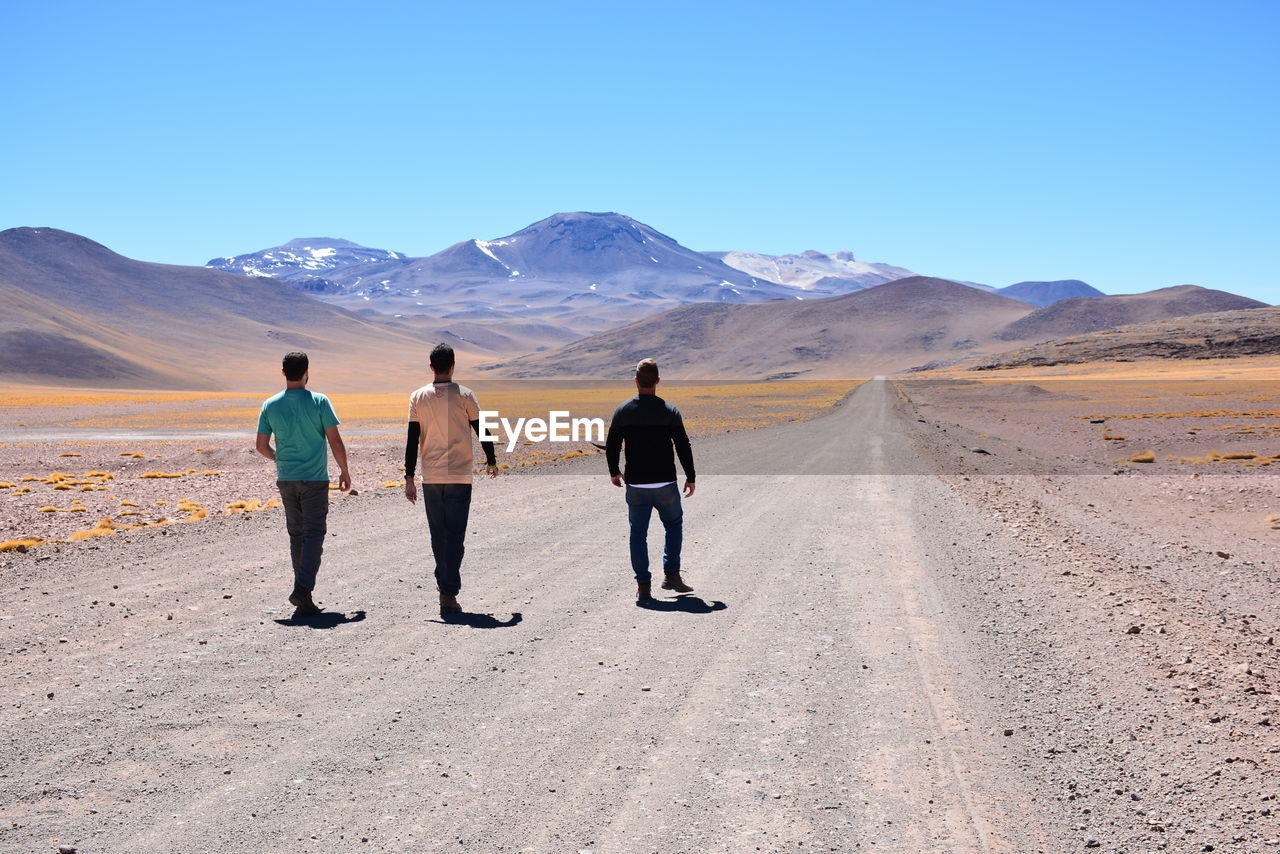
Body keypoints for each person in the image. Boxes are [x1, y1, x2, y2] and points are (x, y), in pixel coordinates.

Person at [404, 343, 498, 614]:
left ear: (432, 367)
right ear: (453, 366)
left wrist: (409, 477)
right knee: (455, 535)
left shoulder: (417, 397)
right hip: (459, 476)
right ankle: (448, 591)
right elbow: (482, 429)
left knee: (438, 535)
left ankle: (445, 587)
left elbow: (412, 440)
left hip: (431, 477)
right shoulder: (465, 395)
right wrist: (491, 461)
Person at [255, 351, 352, 616]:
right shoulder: (320, 401)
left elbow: (261, 446)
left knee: (297, 535)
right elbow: (335, 440)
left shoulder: (270, 405)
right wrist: (345, 471)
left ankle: (303, 595)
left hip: (286, 478)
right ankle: (303, 589)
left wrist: (280, 459)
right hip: (315, 479)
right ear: (308, 371)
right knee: (314, 534)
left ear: (284, 372)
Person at [605, 358, 696, 602]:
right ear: (657, 381)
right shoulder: (669, 410)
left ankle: (643, 587)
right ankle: (672, 575)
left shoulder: (623, 411)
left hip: (636, 485)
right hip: (665, 482)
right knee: (673, 525)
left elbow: (612, 446)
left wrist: (614, 471)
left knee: (638, 534)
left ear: (636, 381)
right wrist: (690, 476)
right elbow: (682, 445)